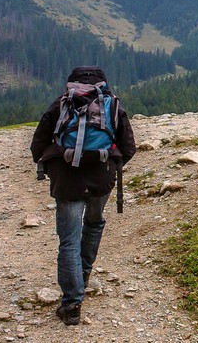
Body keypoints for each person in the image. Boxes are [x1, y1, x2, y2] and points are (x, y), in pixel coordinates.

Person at [30, 66, 135, 326]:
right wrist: (109, 165)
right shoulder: (112, 105)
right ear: (103, 83)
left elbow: (37, 144)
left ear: (71, 83)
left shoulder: (61, 104)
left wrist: (52, 165)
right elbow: (128, 146)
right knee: (94, 223)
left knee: (68, 240)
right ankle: (84, 274)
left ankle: (72, 304)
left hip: (67, 181)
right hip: (101, 178)